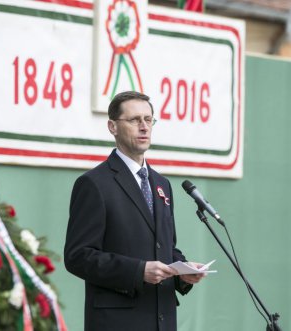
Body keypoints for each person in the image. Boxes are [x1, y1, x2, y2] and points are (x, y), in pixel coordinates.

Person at [64, 91, 206, 331]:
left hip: (162, 320)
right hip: (118, 322)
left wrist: (183, 271)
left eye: (148, 120)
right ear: (112, 126)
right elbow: (78, 257)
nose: (144, 127)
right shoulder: (94, 183)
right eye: (134, 120)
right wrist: (138, 271)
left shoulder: (162, 184)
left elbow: (166, 247)